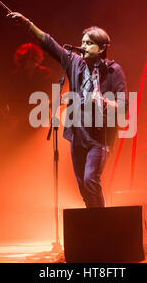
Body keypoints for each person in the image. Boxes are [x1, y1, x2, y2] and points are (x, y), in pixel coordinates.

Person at [7, 12, 128, 208]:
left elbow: (123, 107)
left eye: (88, 43)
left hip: (100, 137)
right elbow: (49, 43)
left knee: (90, 180)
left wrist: (104, 103)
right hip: (78, 135)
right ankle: (96, 224)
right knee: (82, 186)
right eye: (82, 42)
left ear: (102, 48)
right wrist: (27, 23)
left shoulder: (114, 71)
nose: (82, 46)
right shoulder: (75, 63)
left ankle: (103, 225)